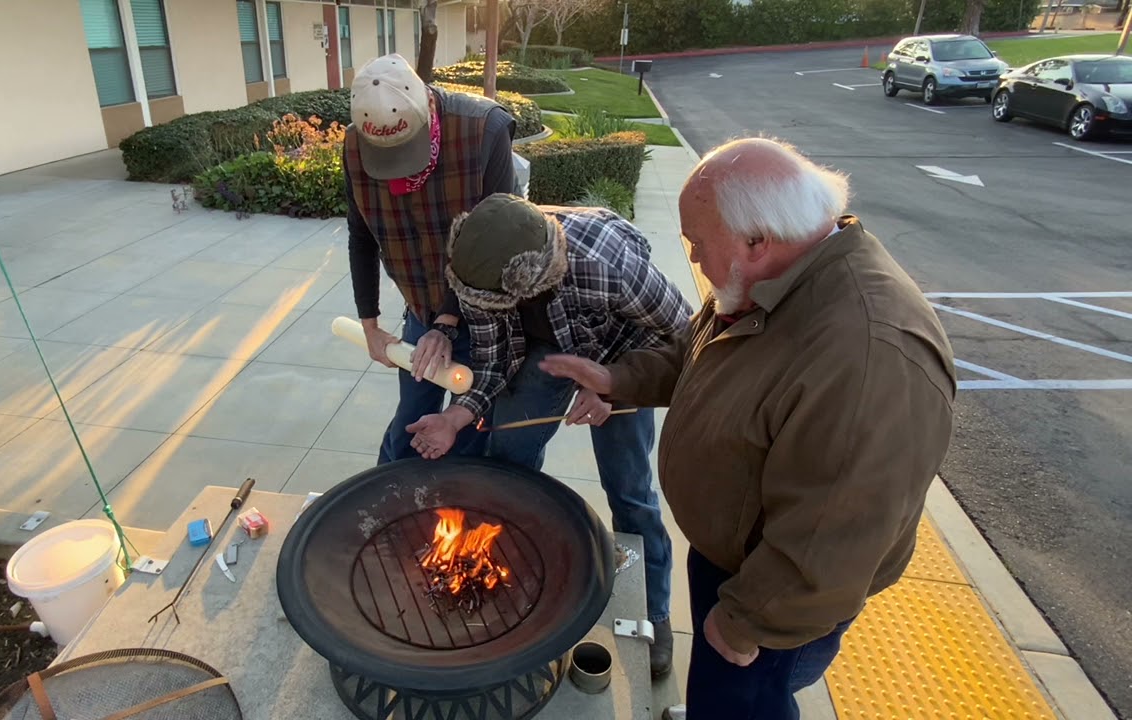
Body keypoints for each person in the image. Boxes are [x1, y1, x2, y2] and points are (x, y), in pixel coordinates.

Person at [538, 138, 957, 719]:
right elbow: (701, 352)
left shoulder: (868, 355)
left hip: (773, 599)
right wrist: (617, 378)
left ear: (758, 240)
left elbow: (835, 535)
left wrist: (745, 622)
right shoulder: (772, 278)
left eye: (698, 243)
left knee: (743, 705)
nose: (693, 257)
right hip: (732, 555)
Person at [404, 193, 692, 678]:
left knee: (629, 488)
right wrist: (454, 418)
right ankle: (502, 564)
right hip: (546, 346)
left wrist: (613, 388)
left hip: (625, 352)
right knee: (507, 458)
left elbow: (684, 336)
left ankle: (654, 610)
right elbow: (494, 361)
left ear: (530, 280)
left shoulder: (609, 267)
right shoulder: (482, 265)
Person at [343, 53, 521, 464]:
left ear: (426, 106)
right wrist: (370, 326)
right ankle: (391, 493)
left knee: (466, 434)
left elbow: (497, 242)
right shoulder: (355, 144)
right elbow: (361, 236)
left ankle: (459, 498)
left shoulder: (484, 130)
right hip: (421, 308)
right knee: (409, 426)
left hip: (484, 313)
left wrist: (447, 322)